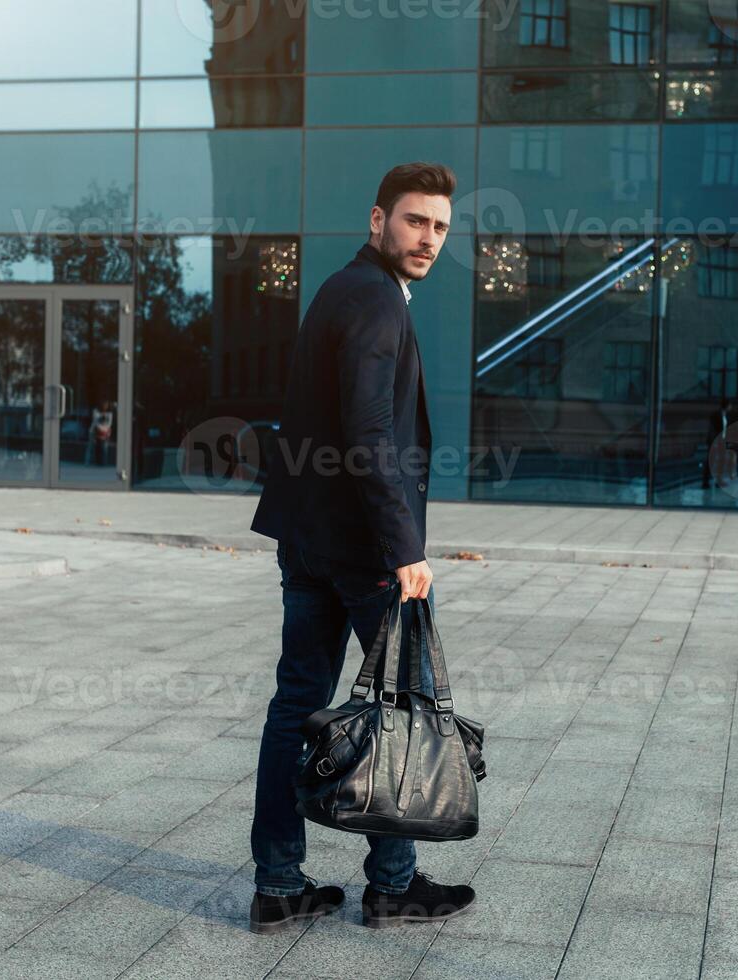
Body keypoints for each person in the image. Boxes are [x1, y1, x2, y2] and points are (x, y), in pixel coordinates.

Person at [246, 162, 476, 933]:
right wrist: (403, 548)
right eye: (416, 221)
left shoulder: (340, 290)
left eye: (441, 227)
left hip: (307, 539)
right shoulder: (378, 300)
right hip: (366, 550)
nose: (429, 239)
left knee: (296, 708)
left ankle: (278, 884)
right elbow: (370, 433)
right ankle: (393, 886)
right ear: (379, 220)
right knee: (402, 711)